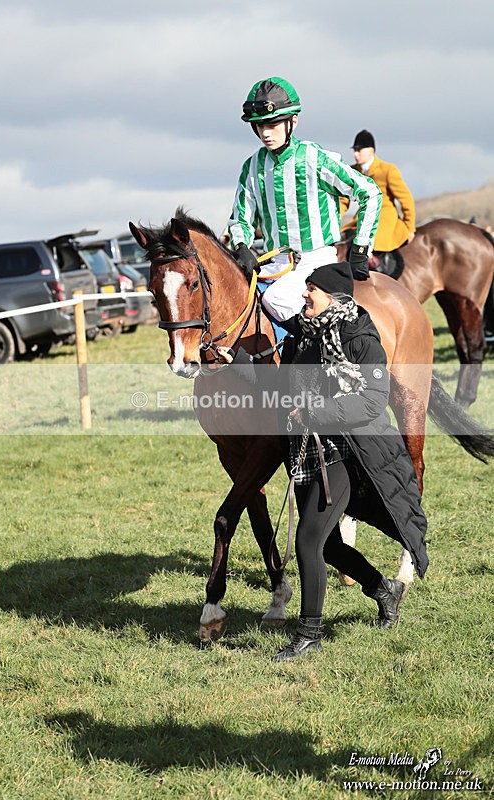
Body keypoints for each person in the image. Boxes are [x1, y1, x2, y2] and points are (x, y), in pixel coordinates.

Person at [217, 261, 428, 662]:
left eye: (310, 290)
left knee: (307, 540)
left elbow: (370, 402)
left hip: (349, 452)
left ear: (333, 295)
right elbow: (283, 389)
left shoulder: (360, 338)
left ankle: (308, 634)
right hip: (306, 452)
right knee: (328, 545)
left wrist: (315, 413)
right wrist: (238, 366)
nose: (303, 296)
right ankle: (385, 589)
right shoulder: (306, 336)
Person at [227, 77, 382, 331]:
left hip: (317, 262)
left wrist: (361, 248)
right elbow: (240, 218)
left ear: (293, 122)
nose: (265, 133)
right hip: (277, 265)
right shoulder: (252, 166)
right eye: (259, 126)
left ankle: (316, 355)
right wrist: (241, 245)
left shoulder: (315, 159)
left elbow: (370, 193)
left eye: (273, 124)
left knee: (274, 298)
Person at [340, 130, 415, 277]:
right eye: (355, 150)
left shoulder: (388, 170)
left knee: (370, 239)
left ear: (371, 151)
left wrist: (410, 226)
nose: (356, 154)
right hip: (361, 217)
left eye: (359, 150)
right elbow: (343, 200)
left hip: (384, 217)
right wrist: (335, 220)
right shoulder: (352, 171)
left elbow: (405, 198)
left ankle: (379, 269)